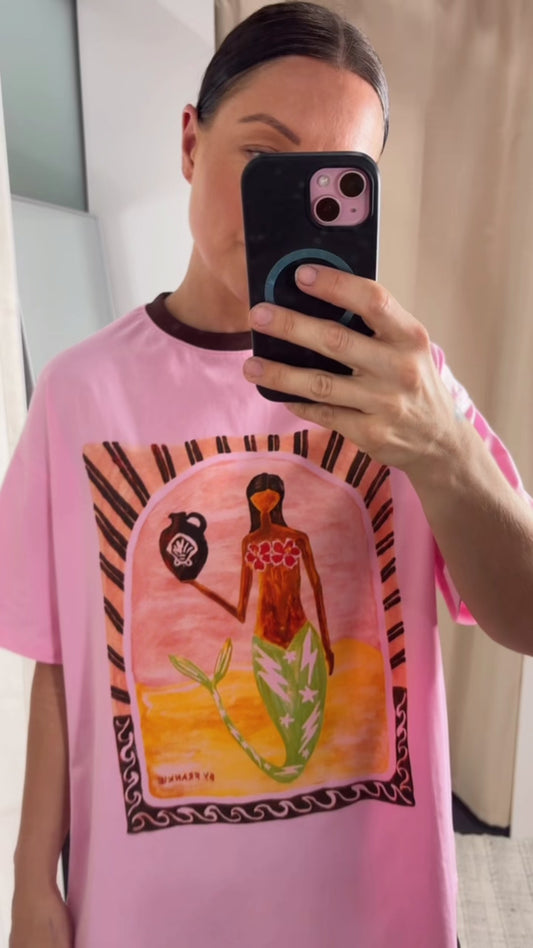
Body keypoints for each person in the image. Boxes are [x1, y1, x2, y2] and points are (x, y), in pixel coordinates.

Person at [2, 3, 532, 947]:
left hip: (370, 913)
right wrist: (29, 876)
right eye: (262, 158)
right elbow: (60, 659)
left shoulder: (407, 389)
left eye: (331, 180)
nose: (283, 206)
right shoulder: (80, 393)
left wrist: (442, 448)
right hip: (153, 915)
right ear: (189, 143)